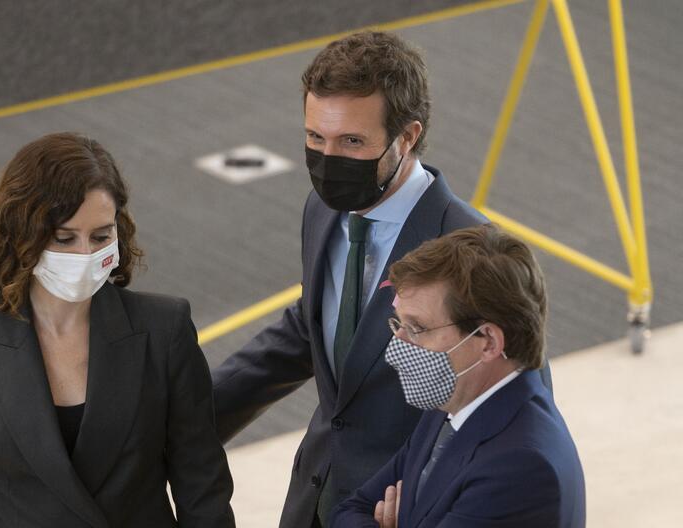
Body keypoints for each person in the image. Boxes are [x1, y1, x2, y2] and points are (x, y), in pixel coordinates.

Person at [210, 31, 545, 528]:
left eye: (351, 142)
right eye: (314, 138)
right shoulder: (323, 210)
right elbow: (313, 327)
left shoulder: (475, 248)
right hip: (315, 500)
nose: (327, 161)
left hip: (404, 511)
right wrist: (189, 418)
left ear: (407, 137)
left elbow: (520, 401)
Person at [0, 132, 235, 527]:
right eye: (64, 238)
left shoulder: (164, 329)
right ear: (22, 235)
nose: (86, 254)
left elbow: (203, 490)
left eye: (101, 236)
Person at [333, 224, 585, 527]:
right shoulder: (450, 405)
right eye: (399, 325)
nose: (396, 347)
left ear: (488, 342)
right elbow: (349, 510)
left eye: (417, 328)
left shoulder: (519, 467)